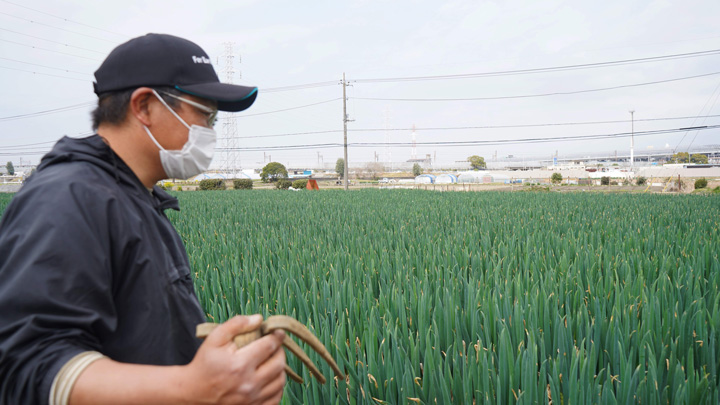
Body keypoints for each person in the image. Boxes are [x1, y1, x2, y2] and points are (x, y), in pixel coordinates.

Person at [0, 33, 287, 404]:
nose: (211, 131)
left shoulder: (140, 198)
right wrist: (192, 389)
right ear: (145, 106)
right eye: (205, 114)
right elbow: (26, 366)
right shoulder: (69, 198)